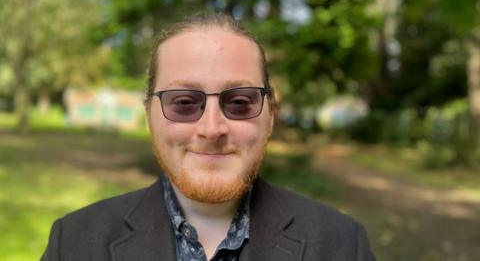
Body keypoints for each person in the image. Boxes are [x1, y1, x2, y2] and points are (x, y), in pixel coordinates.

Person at [41, 13, 375, 261]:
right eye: (184, 103)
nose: (212, 128)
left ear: (270, 117)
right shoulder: (73, 243)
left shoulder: (342, 245)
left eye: (240, 102)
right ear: (149, 117)